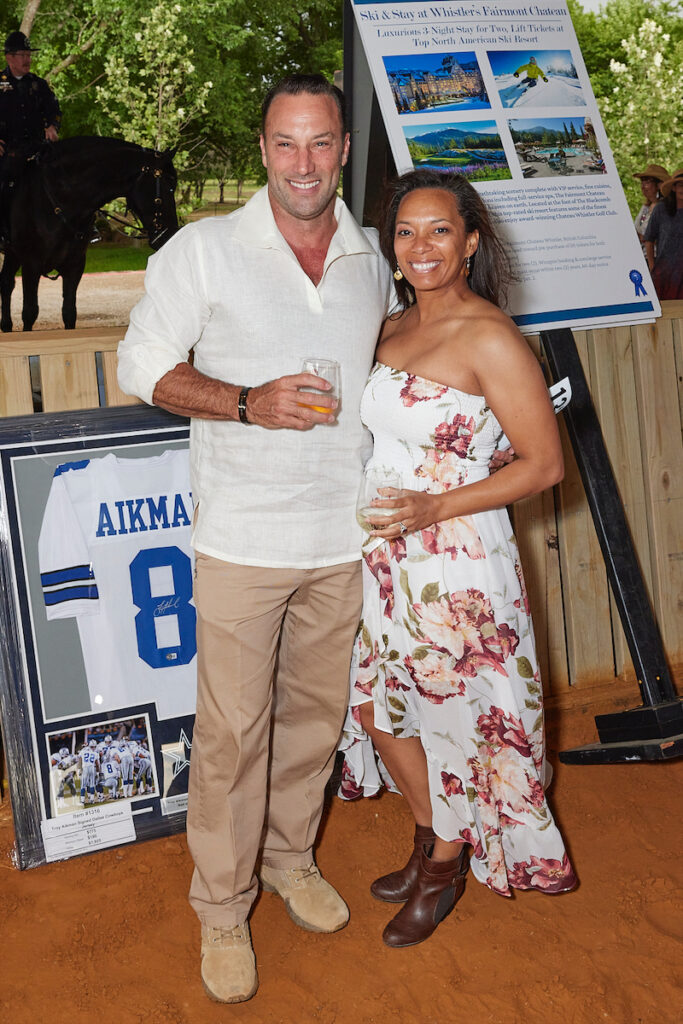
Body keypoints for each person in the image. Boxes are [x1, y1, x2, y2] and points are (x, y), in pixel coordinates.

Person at [117, 74, 394, 1004]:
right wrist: (243, 401)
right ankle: (223, 908)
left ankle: (288, 860)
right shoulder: (204, 250)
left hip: (340, 534)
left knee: (313, 725)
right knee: (234, 735)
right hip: (240, 536)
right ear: (262, 149)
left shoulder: (370, 259)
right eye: (285, 144)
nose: (303, 163)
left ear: (344, 150)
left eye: (320, 143)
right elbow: (141, 364)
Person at [338, 169, 577, 949]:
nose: (420, 246)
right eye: (406, 232)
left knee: (447, 714)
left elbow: (543, 466)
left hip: (456, 560)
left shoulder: (489, 336)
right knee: (379, 707)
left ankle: (443, 863)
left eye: (439, 230)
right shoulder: (384, 326)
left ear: (470, 241)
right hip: (381, 559)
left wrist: (433, 508)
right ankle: (431, 831)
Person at [0, 31, 61, 246]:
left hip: (38, 148)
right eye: (22, 54)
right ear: (9, 57)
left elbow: (54, 110)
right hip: (8, 151)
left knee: (67, 174)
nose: (28, 59)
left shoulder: (39, 85)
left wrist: (53, 126)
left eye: (29, 54)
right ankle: (4, 232)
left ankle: (79, 227)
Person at [644, 167, 683, 300]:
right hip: (663, 274)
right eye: (680, 185)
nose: (682, 189)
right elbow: (648, 238)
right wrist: (651, 265)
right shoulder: (661, 209)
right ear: (673, 188)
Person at [632, 163, 669, 257]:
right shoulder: (646, 207)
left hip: (658, 258)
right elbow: (638, 229)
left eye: (647, 182)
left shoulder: (665, 208)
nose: (643, 186)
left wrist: (644, 238)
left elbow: (666, 237)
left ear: (658, 185)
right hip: (642, 257)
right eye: (642, 182)